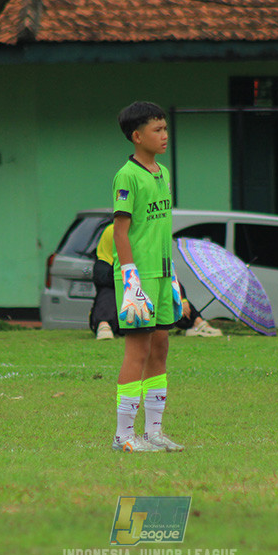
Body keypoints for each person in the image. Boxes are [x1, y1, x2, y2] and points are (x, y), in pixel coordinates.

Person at [110, 101, 184, 453]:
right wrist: (130, 279)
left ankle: (153, 432)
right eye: (157, 130)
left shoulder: (164, 173)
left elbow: (160, 230)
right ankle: (123, 436)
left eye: (165, 129)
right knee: (137, 351)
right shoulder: (127, 176)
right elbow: (120, 232)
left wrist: (173, 276)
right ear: (137, 136)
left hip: (163, 274)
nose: (164, 135)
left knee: (160, 348)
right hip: (137, 277)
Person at [90, 223, 221, 339]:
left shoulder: (151, 234)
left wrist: (183, 299)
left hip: (144, 288)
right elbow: (100, 275)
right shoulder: (112, 231)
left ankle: (196, 323)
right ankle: (104, 325)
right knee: (108, 292)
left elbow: (167, 273)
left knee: (166, 288)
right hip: (118, 284)